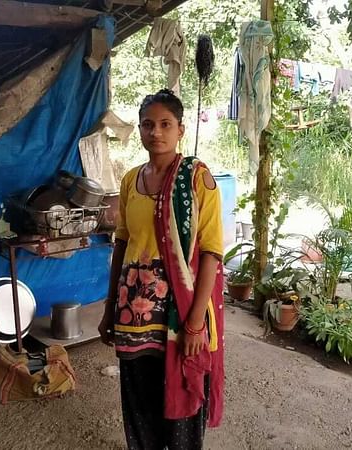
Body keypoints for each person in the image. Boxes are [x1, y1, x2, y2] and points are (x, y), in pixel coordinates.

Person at [98, 89, 225, 450]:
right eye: (148, 124)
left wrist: (196, 322)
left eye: (165, 124)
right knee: (139, 404)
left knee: (182, 402)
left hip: (179, 315)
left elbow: (211, 254)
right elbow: (121, 245)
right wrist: (109, 308)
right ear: (139, 130)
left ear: (181, 130)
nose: (156, 131)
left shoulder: (197, 180)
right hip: (132, 314)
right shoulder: (130, 181)